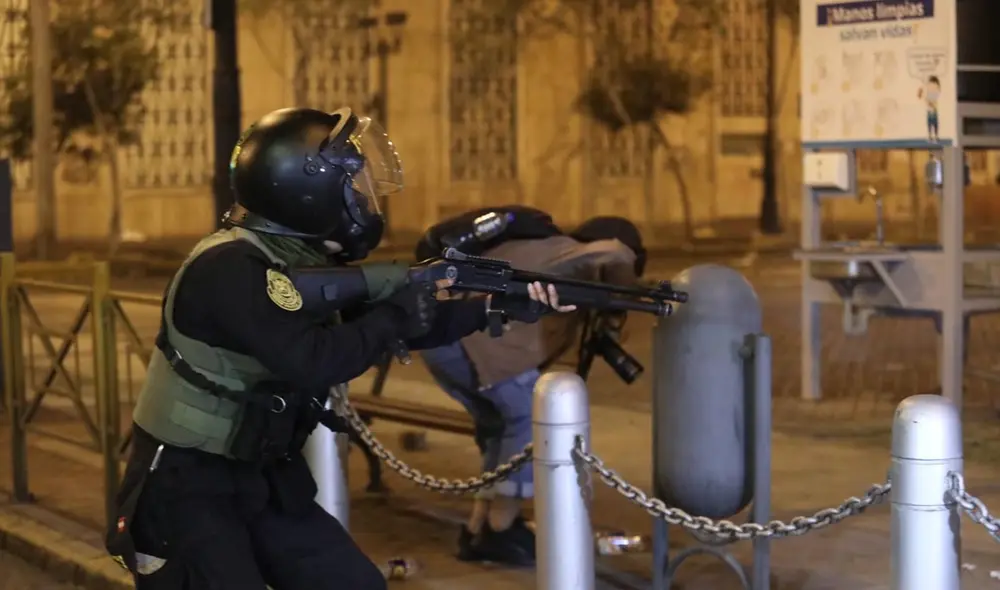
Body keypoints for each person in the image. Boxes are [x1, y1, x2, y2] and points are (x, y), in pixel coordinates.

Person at [104, 107, 573, 590]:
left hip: (262, 473)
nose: (361, 200)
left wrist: (500, 306)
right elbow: (315, 359)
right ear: (303, 188)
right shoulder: (228, 266)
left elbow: (396, 328)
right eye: (350, 187)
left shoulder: (298, 259)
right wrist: (397, 312)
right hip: (186, 484)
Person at [417, 208, 647, 566]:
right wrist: (625, 289)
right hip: (468, 340)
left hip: (444, 338)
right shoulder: (570, 250)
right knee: (526, 414)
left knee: (499, 426)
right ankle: (502, 528)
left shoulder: (547, 255)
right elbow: (615, 252)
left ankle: (480, 528)